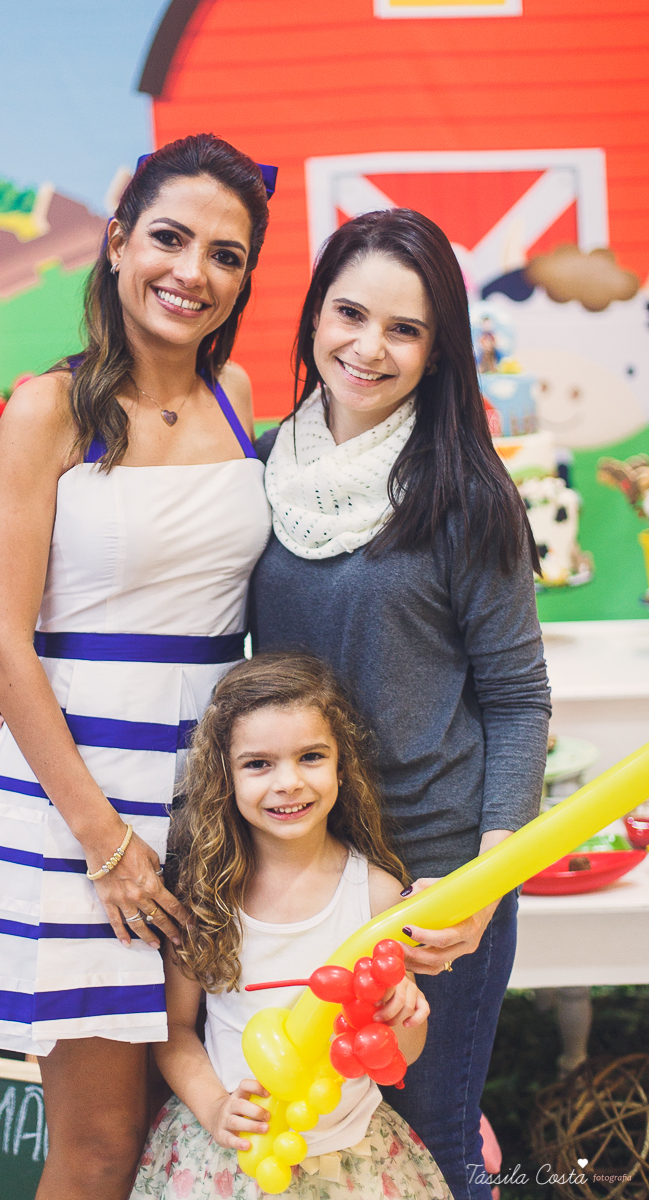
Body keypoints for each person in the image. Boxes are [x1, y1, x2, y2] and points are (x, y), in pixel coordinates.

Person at [0, 133, 275, 1200]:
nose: (190, 273)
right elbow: (0, 641)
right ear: (115, 245)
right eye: (167, 238)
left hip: (213, 800)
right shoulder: (48, 408)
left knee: (203, 1115)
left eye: (224, 254)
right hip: (83, 810)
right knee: (101, 1143)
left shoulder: (240, 395)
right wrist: (105, 843)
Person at [250, 208, 552, 1200]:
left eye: (404, 329)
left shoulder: (463, 490)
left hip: (429, 890)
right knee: (313, 1158)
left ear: (438, 350)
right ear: (311, 317)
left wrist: (479, 885)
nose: (367, 347)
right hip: (291, 874)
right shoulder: (259, 468)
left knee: (430, 1153)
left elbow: (514, 700)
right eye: (349, 313)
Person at [131, 652, 452, 1200]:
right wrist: (213, 1107)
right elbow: (177, 1028)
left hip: (350, 1159)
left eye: (310, 757)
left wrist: (403, 1013)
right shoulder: (206, 897)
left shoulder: (373, 892)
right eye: (259, 764)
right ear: (224, 775)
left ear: (341, 767)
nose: (289, 782)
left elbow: (403, 1050)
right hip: (234, 1157)